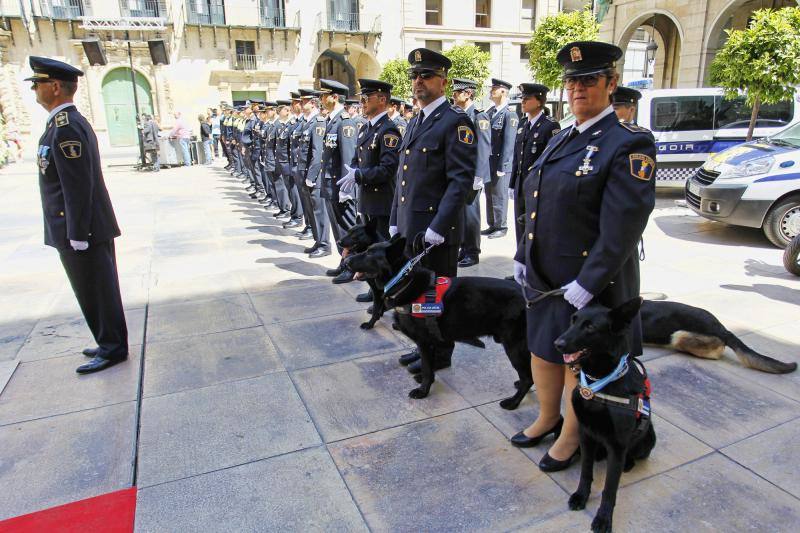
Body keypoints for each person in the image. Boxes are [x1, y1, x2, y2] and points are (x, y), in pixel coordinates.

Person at [511, 41, 656, 472]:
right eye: (572, 81)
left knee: (581, 365)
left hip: (589, 283)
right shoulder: (562, 137)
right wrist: (523, 253)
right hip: (547, 275)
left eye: (589, 80)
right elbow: (535, 200)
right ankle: (547, 416)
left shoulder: (627, 142)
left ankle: (573, 437)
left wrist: (588, 282)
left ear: (611, 84)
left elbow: (624, 226)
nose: (577, 89)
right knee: (542, 350)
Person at [27, 56, 128, 374]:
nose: (35, 90)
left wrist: (77, 232)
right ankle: (106, 339)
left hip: (82, 228)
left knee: (98, 288)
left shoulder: (66, 126)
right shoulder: (60, 124)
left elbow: (78, 187)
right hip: (78, 225)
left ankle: (113, 347)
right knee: (91, 288)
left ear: (55, 87)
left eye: (38, 84)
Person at [389, 48, 476, 375]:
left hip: (437, 234)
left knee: (437, 297)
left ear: (444, 81)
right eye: (414, 76)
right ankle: (425, 347)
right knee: (419, 296)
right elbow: (404, 176)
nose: (418, 82)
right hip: (413, 228)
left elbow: (459, 182)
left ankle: (441, 353)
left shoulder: (455, 122)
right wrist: (397, 221)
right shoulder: (416, 121)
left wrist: (439, 226)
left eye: (425, 75)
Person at [510, 83, 560, 245]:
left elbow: (552, 160)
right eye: (521, 99)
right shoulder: (523, 124)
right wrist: (512, 184)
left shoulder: (550, 125)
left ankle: (531, 267)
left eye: (527, 99)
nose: (522, 102)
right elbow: (517, 156)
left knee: (534, 229)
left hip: (538, 187)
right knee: (519, 227)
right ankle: (520, 266)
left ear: (539, 101)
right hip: (520, 185)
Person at [318, 79, 358, 279]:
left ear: (334, 97)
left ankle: (352, 267)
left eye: (323, 95)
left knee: (347, 230)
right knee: (338, 229)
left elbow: (349, 158)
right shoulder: (331, 120)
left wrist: (346, 190)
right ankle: (344, 262)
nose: (321, 99)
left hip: (340, 186)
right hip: (331, 184)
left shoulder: (345, 122)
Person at [451, 78, 491, 268]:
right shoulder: (459, 115)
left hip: (473, 175)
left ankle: (473, 252)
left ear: (468, 94)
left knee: (471, 215)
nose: (454, 95)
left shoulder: (478, 116)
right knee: (461, 214)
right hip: (460, 173)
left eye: (457, 92)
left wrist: (479, 176)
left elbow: (484, 148)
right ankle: (464, 248)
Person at [482, 78, 518, 239]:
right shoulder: (491, 112)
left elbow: (509, 143)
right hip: (489, 162)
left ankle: (501, 226)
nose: (491, 91)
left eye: (494, 89)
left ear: (503, 91)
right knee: (489, 194)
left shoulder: (509, 114)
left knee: (499, 195)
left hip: (499, 162)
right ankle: (492, 224)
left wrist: (503, 166)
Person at [297, 89, 330, 258]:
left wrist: (311, 177)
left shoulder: (318, 122)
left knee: (318, 211)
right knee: (311, 211)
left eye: (304, 102)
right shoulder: (307, 122)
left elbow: (318, 153)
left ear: (313, 103)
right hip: (305, 173)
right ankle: (318, 241)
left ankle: (324, 244)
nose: (301, 105)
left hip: (314, 177)